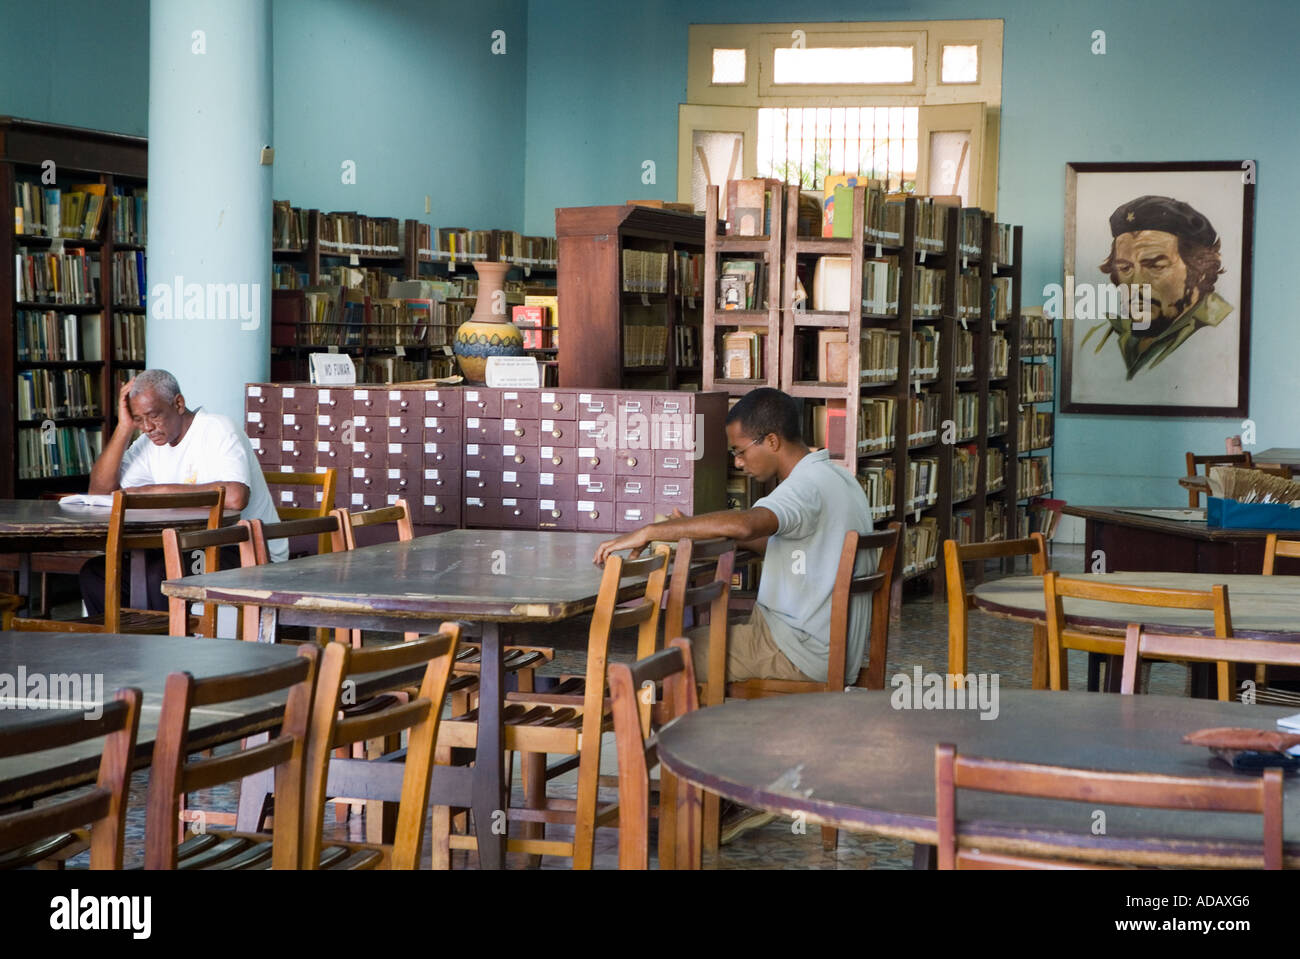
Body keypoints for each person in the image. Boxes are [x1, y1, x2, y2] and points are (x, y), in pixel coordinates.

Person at [593, 387, 875, 842]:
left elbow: (747, 523)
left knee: (668, 658)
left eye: (741, 452)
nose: (739, 464)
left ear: (772, 442)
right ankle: (727, 787)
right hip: (828, 643)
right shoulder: (837, 478)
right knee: (692, 650)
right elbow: (776, 540)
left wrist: (652, 530)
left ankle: (713, 798)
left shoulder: (802, 487)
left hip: (795, 647)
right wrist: (696, 528)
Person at [80, 369, 284, 615]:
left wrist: (158, 491)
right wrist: (124, 428)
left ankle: (166, 647)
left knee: (159, 575)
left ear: (178, 403)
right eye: (138, 419)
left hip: (244, 550)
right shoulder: (148, 442)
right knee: (96, 574)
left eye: (153, 416)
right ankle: (125, 648)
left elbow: (235, 498)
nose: (147, 427)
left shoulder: (217, 429)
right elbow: (99, 491)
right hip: (186, 546)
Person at [1083, 194, 1231, 379]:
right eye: (1125, 268)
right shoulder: (1096, 338)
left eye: (1156, 266)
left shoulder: (1227, 335)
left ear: (1200, 270)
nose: (1136, 285)